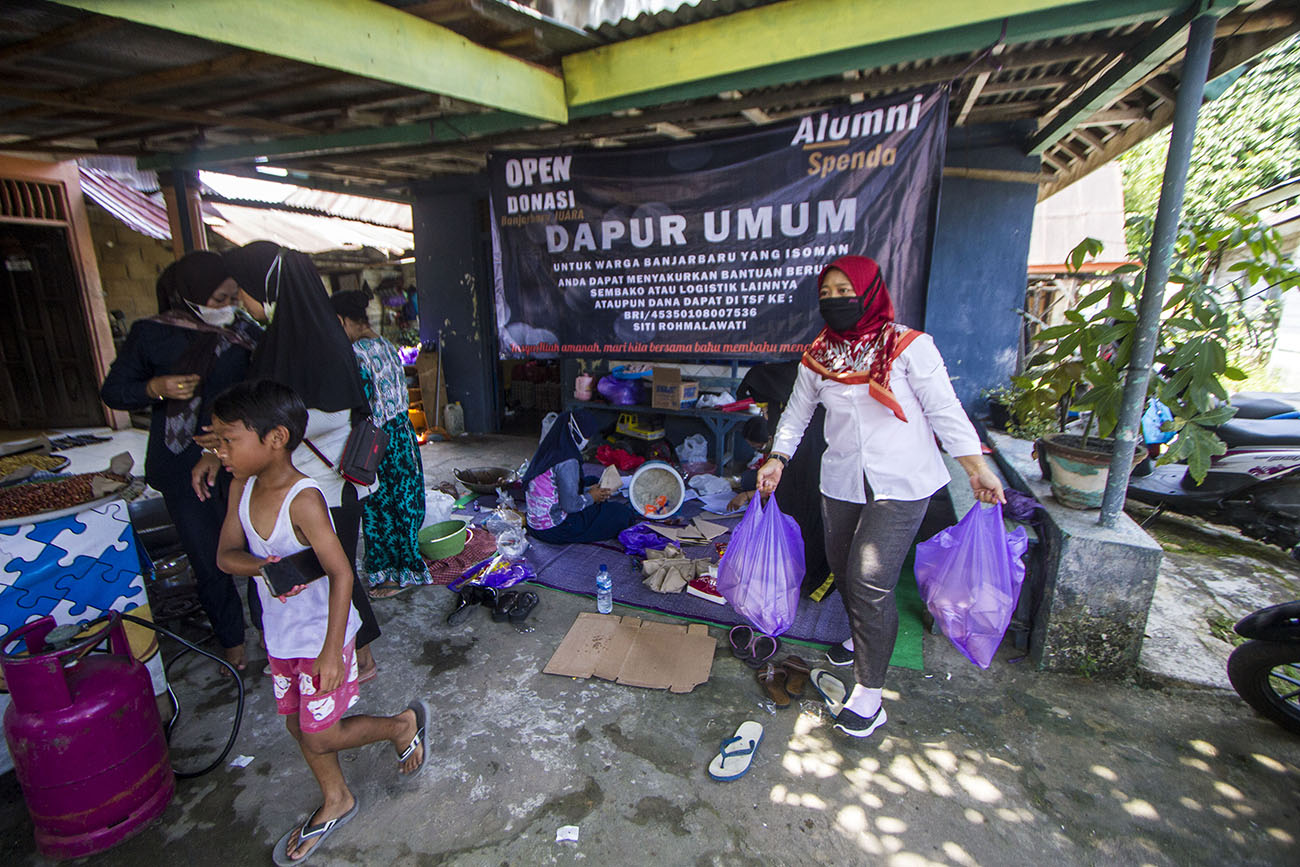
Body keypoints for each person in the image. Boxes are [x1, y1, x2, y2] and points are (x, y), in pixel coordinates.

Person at [758, 255, 1004, 740]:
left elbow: (945, 411)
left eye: (844, 291)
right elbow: (797, 413)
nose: (834, 301)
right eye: (825, 294)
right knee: (843, 567)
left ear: (869, 292)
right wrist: (777, 457)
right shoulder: (818, 356)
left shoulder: (910, 347)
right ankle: (862, 634)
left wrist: (976, 467)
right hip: (842, 480)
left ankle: (870, 697)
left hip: (903, 482)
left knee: (870, 580)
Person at [210, 380, 428, 865]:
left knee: (321, 733)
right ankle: (337, 797)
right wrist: (263, 567)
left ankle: (400, 726)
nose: (219, 451)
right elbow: (226, 555)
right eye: (217, 441)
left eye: (228, 440)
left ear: (275, 438)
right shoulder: (241, 488)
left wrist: (332, 651)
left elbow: (342, 572)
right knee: (297, 725)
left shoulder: (304, 499)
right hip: (281, 636)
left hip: (323, 635)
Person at [194, 241, 381, 682]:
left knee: (332, 572)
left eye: (243, 291)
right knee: (321, 572)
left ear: (266, 287)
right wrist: (229, 442)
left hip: (327, 485)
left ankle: (355, 657)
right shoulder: (286, 340)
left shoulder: (313, 344)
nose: (241, 302)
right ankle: (330, 653)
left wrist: (252, 431)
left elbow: (328, 416)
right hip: (304, 481)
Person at [101, 251, 259, 670]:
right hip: (181, 462)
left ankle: (272, 631)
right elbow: (114, 391)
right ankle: (232, 641)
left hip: (242, 458)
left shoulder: (245, 332)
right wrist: (156, 387)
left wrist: (225, 438)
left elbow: (263, 387)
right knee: (208, 557)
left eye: (233, 297)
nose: (228, 306)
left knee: (261, 546)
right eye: (220, 298)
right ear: (192, 293)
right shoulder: (153, 334)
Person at [329, 289, 431, 598]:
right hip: (402, 434)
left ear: (342, 320)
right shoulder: (386, 345)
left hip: (377, 443)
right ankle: (407, 568)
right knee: (405, 504)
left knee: (379, 509)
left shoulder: (356, 353)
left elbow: (359, 404)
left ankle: (390, 576)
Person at [737, 361, 832, 596]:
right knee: (789, 513)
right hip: (794, 464)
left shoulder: (804, 401)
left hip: (814, 470)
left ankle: (807, 578)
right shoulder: (790, 400)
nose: (765, 414)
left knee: (808, 518)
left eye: (766, 409)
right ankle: (792, 574)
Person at [524, 410, 639, 544]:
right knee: (622, 514)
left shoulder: (551, 445)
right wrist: (591, 497)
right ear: (573, 431)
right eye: (586, 436)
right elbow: (570, 506)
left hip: (535, 523)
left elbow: (556, 490)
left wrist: (588, 491)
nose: (587, 441)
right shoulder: (567, 461)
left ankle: (595, 499)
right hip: (555, 528)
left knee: (592, 481)